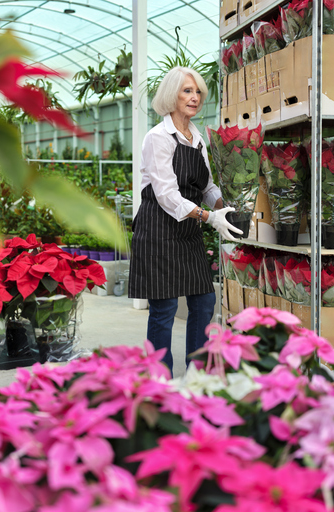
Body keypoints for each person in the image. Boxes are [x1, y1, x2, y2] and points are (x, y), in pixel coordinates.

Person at [128, 66, 243, 374]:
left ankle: (196, 372)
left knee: (205, 301)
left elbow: (205, 186)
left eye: (198, 92)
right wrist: (208, 217)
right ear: (171, 95)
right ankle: (160, 377)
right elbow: (166, 194)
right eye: (187, 91)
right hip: (158, 230)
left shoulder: (197, 140)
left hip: (188, 231)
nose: (195, 98)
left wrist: (225, 208)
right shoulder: (158, 138)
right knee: (164, 309)